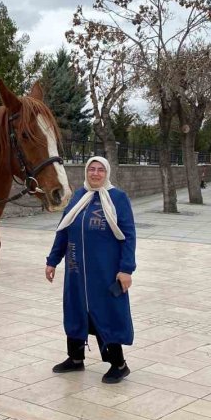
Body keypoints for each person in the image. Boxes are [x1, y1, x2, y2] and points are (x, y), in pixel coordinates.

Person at [44, 156, 136, 384]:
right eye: (91, 170)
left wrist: (126, 269)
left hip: (105, 272)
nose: (95, 174)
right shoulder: (78, 197)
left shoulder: (117, 198)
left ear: (107, 173)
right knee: (75, 309)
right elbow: (63, 231)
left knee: (107, 313)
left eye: (100, 170)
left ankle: (119, 364)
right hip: (76, 269)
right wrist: (53, 260)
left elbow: (129, 236)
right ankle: (75, 359)